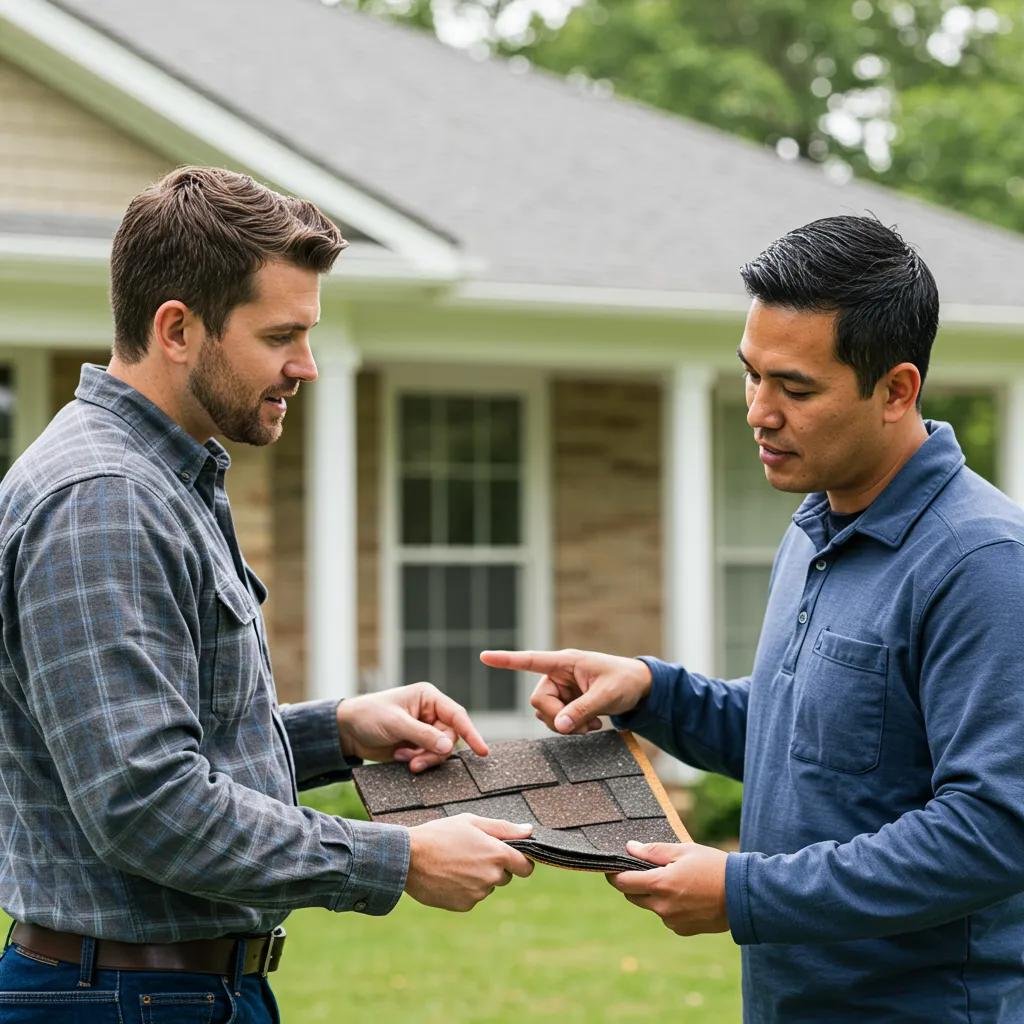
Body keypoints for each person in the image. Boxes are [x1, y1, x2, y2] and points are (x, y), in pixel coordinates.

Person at [0, 166, 533, 1022]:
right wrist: (398, 860)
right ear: (177, 328)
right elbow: (143, 804)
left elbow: (160, 748)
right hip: (124, 998)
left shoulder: (162, 478)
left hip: (164, 990)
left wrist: (338, 732)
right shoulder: (104, 498)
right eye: (281, 335)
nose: (307, 367)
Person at [483, 216, 1024, 1022]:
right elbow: (812, 742)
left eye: (795, 388)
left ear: (897, 390)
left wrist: (744, 892)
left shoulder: (980, 563)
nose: (758, 412)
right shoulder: (818, 525)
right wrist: (646, 691)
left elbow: (992, 832)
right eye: (751, 376)